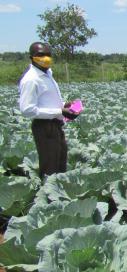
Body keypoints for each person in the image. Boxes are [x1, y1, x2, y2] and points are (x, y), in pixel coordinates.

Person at [18, 42, 80, 179]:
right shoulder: (31, 79)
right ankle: (47, 197)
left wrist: (65, 105)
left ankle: (58, 196)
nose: (45, 57)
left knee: (60, 163)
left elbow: (47, 101)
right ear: (31, 57)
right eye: (40, 55)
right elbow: (27, 110)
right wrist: (59, 112)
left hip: (55, 125)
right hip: (44, 127)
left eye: (48, 55)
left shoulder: (47, 74)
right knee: (50, 168)